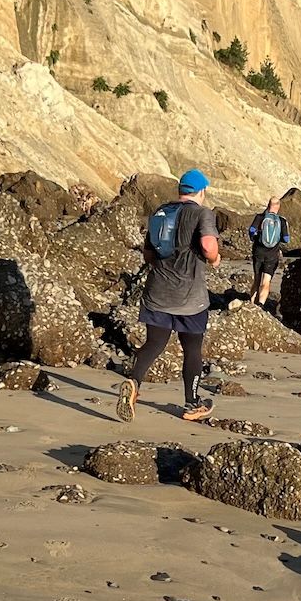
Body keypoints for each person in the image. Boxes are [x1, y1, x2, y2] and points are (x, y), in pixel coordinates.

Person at [117, 168, 220, 423]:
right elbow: (208, 246)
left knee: (154, 344)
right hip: (189, 297)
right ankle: (192, 403)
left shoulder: (161, 212)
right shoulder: (201, 213)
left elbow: (149, 254)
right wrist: (215, 259)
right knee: (192, 348)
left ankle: (133, 381)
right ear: (202, 191)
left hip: (157, 292)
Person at [247, 189, 296, 307]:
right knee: (266, 281)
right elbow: (286, 239)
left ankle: (252, 304)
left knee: (257, 280)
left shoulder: (260, 217)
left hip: (258, 252)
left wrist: (255, 239)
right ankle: (261, 305)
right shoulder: (282, 221)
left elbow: (251, 231)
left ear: (268, 205)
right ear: (278, 207)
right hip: (272, 255)